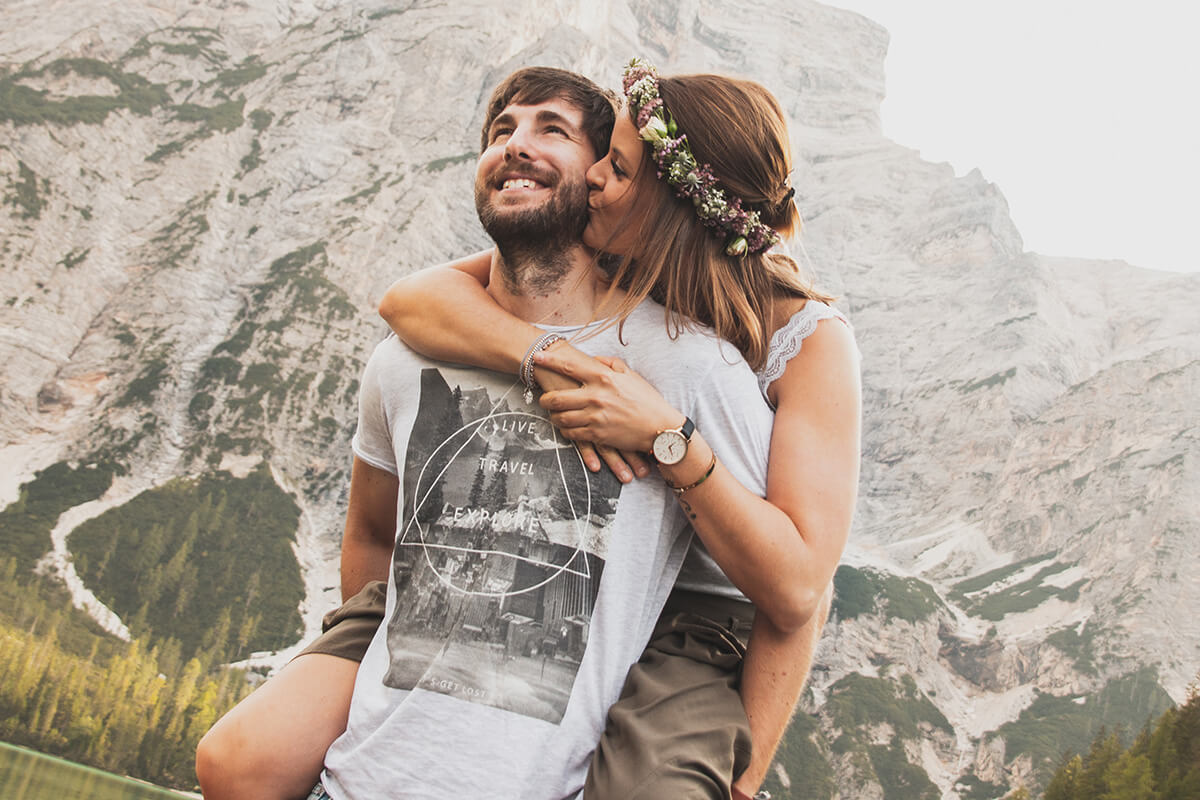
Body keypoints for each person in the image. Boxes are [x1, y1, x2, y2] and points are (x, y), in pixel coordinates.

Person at [197, 65, 782, 800]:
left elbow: (772, 587)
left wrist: (740, 772)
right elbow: (373, 540)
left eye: (552, 130)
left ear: (606, 177)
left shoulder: (689, 366)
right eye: (500, 130)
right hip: (355, 781)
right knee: (227, 768)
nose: (515, 145)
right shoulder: (404, 359)